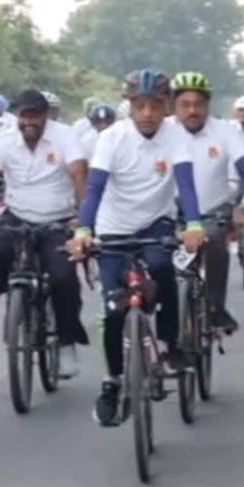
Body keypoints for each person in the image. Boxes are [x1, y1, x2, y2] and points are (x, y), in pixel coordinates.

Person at [67, 68, 205, 428]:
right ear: (129, 106)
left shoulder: (176, 136)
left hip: (155, 224)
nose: (147, 114)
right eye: (140, 106)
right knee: (113, 310)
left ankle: (170, 344)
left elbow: (187, 186)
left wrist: (193, 224)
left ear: (166, 106)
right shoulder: (112, 138)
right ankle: (112, 382)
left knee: (163, 271)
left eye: (156, 106)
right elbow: (94, 189)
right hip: (113, 230)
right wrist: (84, 229)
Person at [0, 89, 90, 376]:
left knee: (64, 280)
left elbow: (79, 176)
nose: (29, 121)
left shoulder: (65, 137)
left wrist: (84, 220)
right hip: (17, 215)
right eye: (24, 115)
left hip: (58, 219)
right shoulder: (2, 141)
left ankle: (66, 342)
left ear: (46, 116)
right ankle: (15, 300)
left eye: (35, 115)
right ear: (17, 116)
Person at [170, 71, 244, 335]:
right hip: (172, 212)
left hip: (213, 211)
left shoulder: (224, 131)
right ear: (174, 106)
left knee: (215, 246)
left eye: (198, 104)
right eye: (185, 104)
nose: (192, 110)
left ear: (208, 105)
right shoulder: (164, 131)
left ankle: (216, 309)